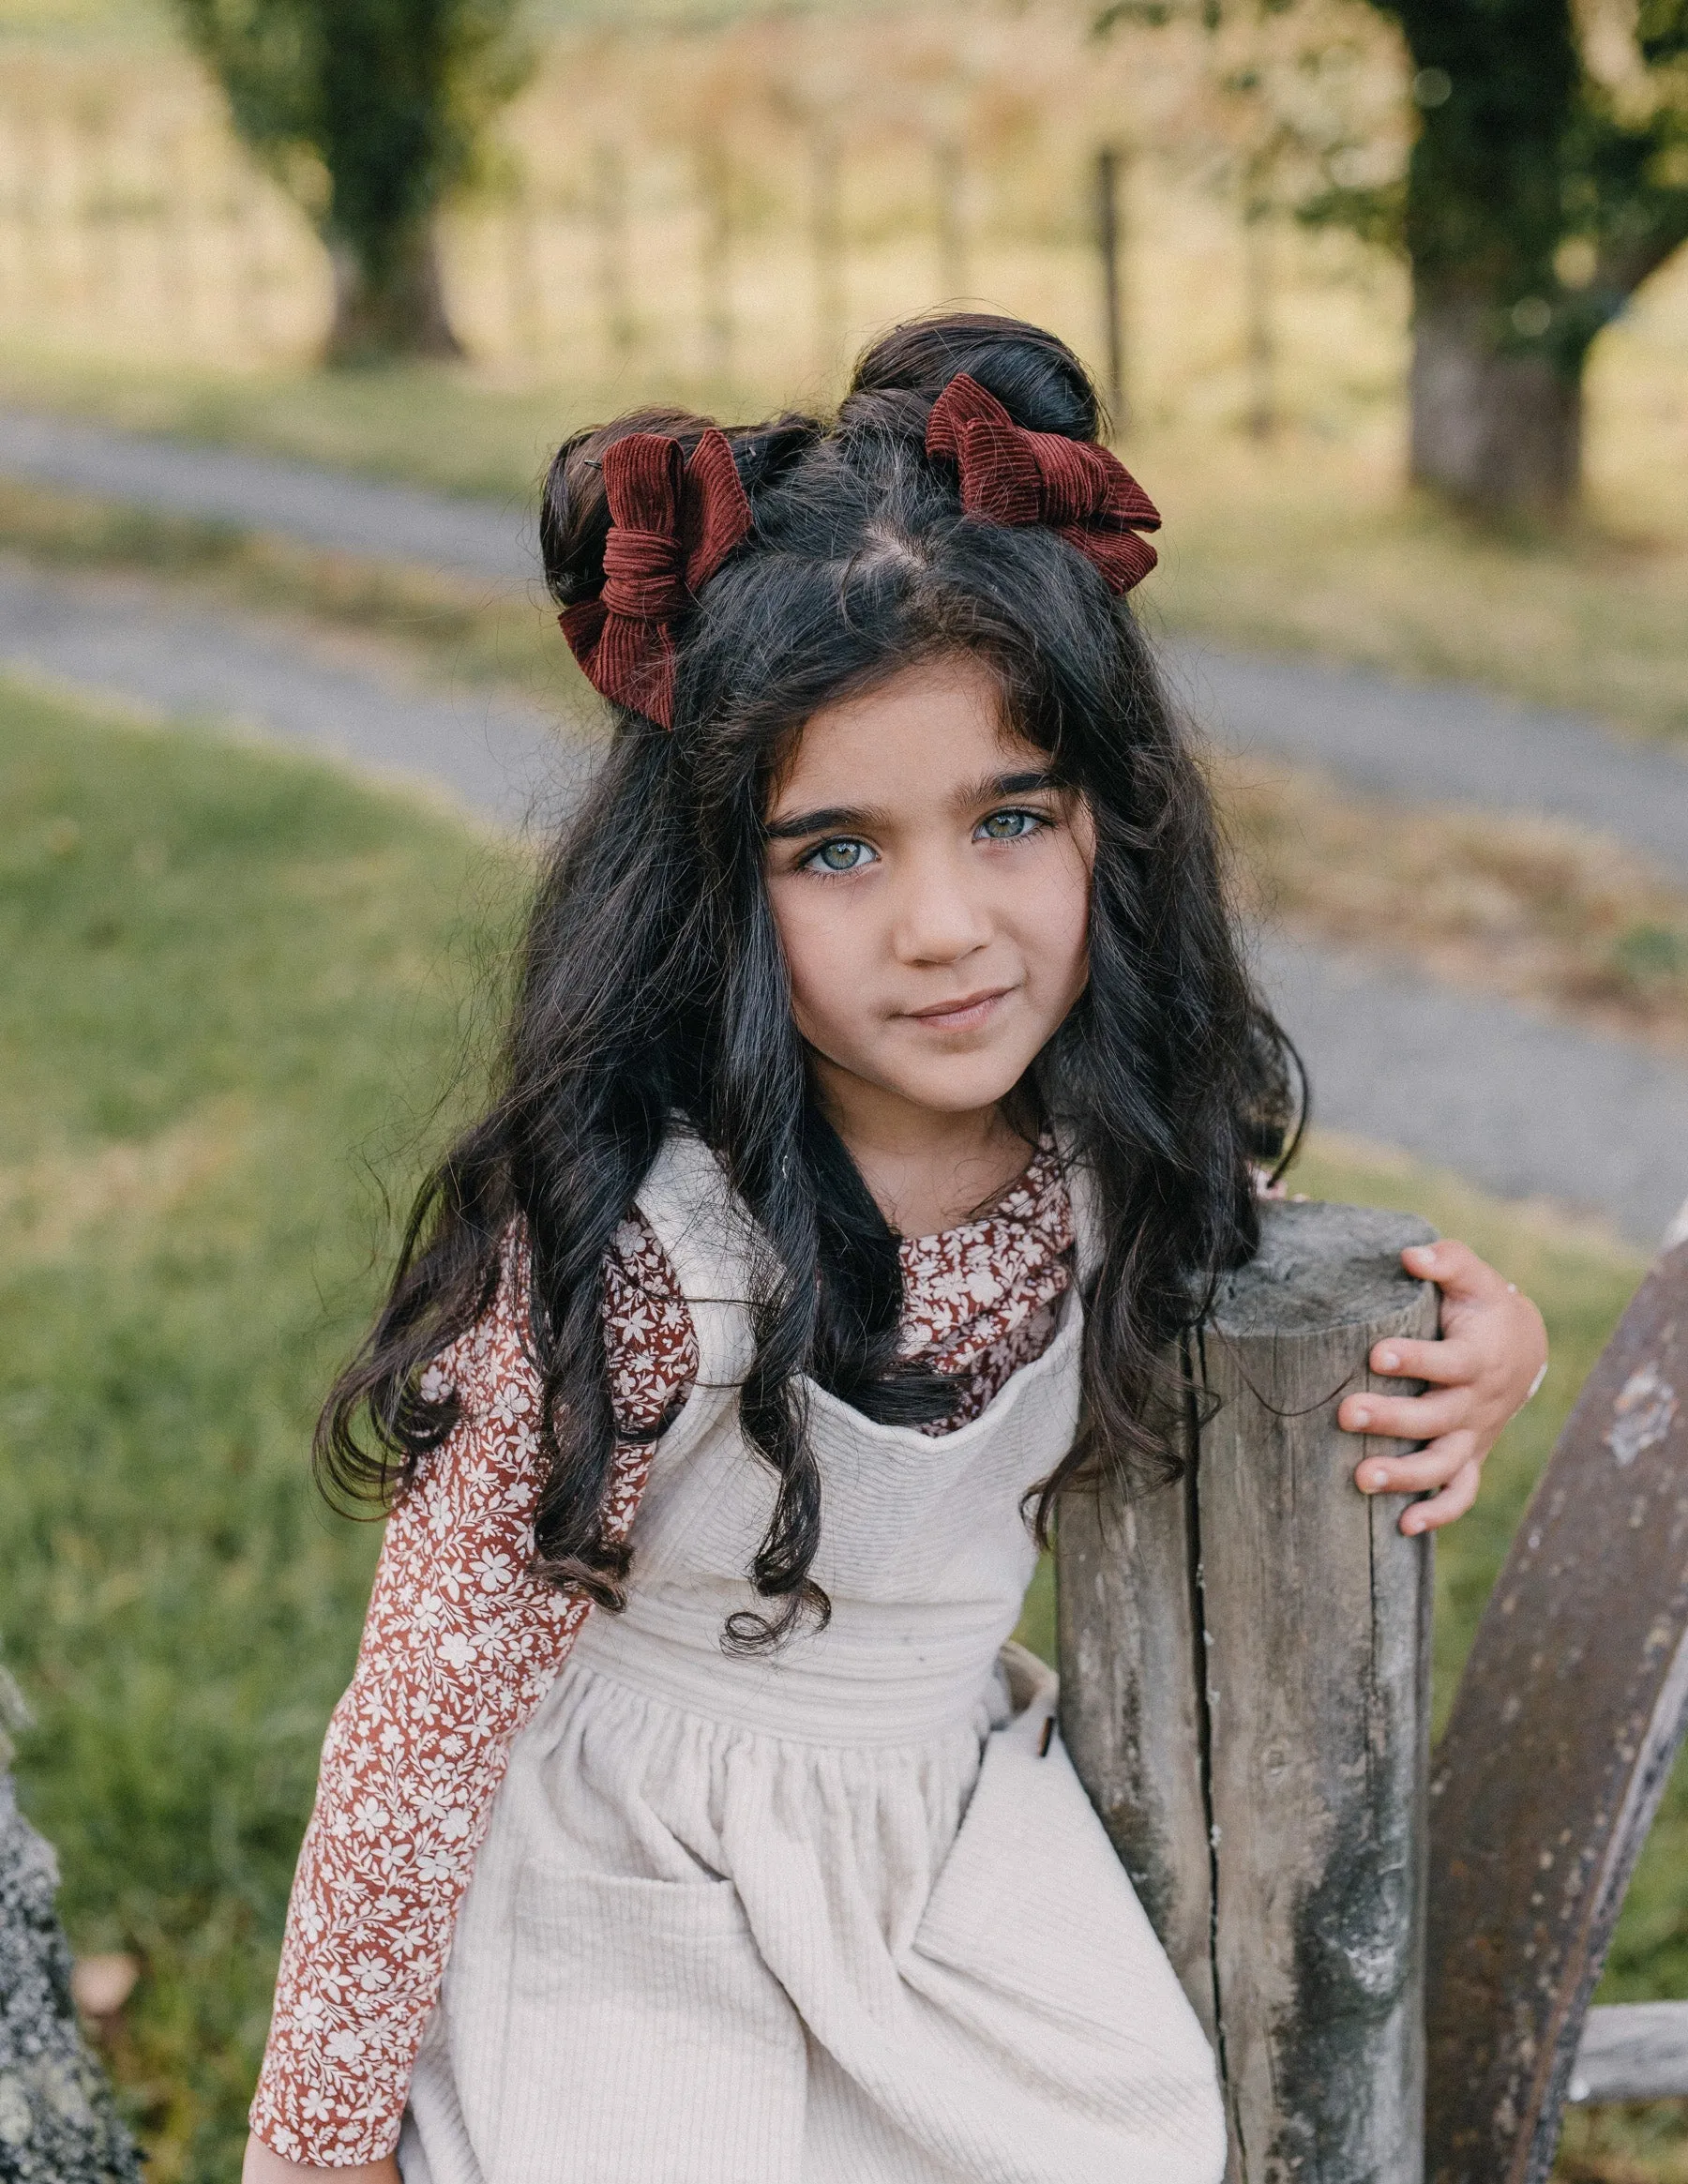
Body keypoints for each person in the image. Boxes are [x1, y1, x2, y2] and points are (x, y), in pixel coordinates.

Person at [243, 314, 1548, 2184]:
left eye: (1011, 817)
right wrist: (316, 2150)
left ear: (1115, 820)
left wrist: (1473, 1337)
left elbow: (1255, 1269)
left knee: (1149, 2148)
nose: (946, 926)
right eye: (837, 851)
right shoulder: (637, 1258)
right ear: (711, 879)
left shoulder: (1108, 1150)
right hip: (646, 1888)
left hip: (942, 1854)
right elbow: (417, 1726)